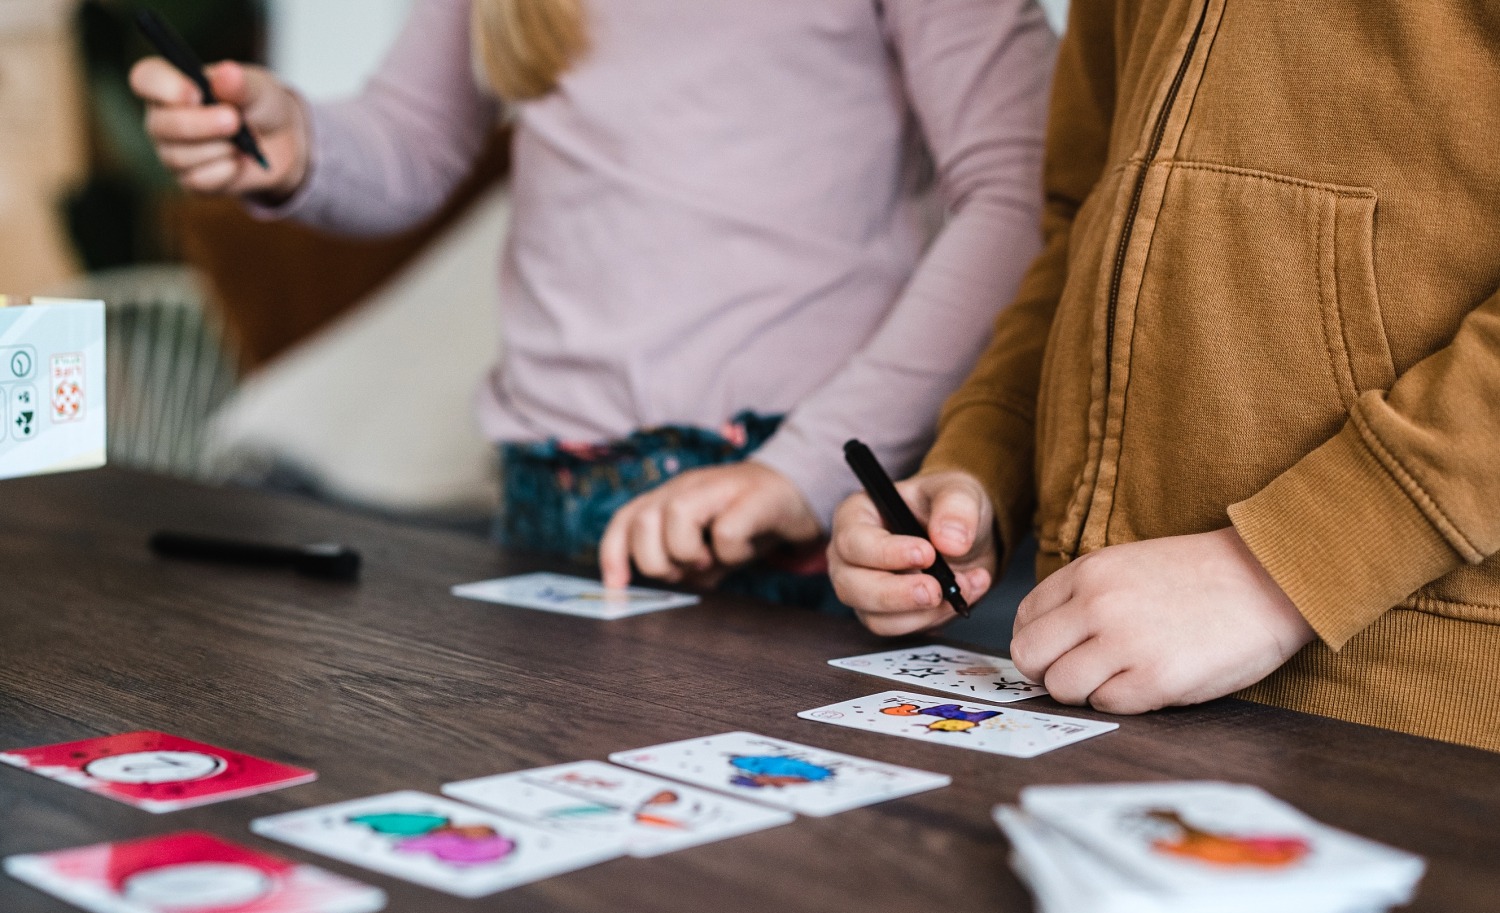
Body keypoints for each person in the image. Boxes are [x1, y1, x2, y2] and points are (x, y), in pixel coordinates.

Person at [129, 0, 1056, 607]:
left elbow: (1025, 195)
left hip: (790, 510)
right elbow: (412, 143)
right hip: (545, 494)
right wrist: (301, 144)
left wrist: (802, 471)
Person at [829, 0, 1500, 752]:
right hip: (1088, 670)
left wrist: (1280, 570)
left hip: (1412, 710)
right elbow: (1085, 222)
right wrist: (984, 460)